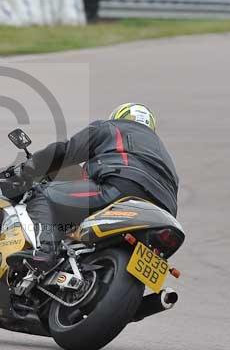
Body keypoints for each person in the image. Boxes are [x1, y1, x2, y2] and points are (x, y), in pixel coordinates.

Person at [9, 103, 179, 269]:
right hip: (162, 213)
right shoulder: (164, 154)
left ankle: (44, 251)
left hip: (121, 187)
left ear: (119, 117)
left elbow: (67, 151)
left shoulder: (110, 127)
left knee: (41, 195)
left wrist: (28, 168)